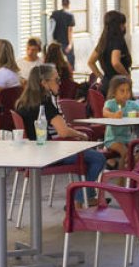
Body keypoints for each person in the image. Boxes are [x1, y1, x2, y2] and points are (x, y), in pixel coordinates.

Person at [15, 64, 105, 204]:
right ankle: (80, 199)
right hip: (48, 156)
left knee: (88, 156)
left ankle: (88, 197)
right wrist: (82, 135)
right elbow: (63, 131)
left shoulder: (22, 103)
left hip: (31, 154)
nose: (60, 83)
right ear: (44, 83)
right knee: (98, 158)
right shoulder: (44, 103)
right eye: (56, 80)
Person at [101, 75, 139, 170]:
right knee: (126, 153)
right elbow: (104, 112)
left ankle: (123, 176)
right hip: (112, 139)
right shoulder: (111, 103)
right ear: (114, 92)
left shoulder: (132, 104)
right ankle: (127, 172)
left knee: (134, 152)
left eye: (128, 90)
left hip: (127, 138)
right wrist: (113, 115)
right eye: (122, 91)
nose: (126, 93)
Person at [88, 10, 131, 95]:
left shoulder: (103, 41)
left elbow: (91, 62)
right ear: (118, 25)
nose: (124, 27)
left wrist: (101, 77)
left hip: (106, 85)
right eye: (123, 24)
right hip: (119, 87)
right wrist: (126, 75)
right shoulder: (117, 40)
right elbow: (115, 62)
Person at [49, 0, 77, 67]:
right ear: (69, 4)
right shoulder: (70, 15)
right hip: (66, 43)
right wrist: (70, 44)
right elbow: (70, 30)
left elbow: (51, 26)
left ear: (62, 4)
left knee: (57, 62)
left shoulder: (55, 14)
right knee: (70, 63)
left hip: (56, 42)